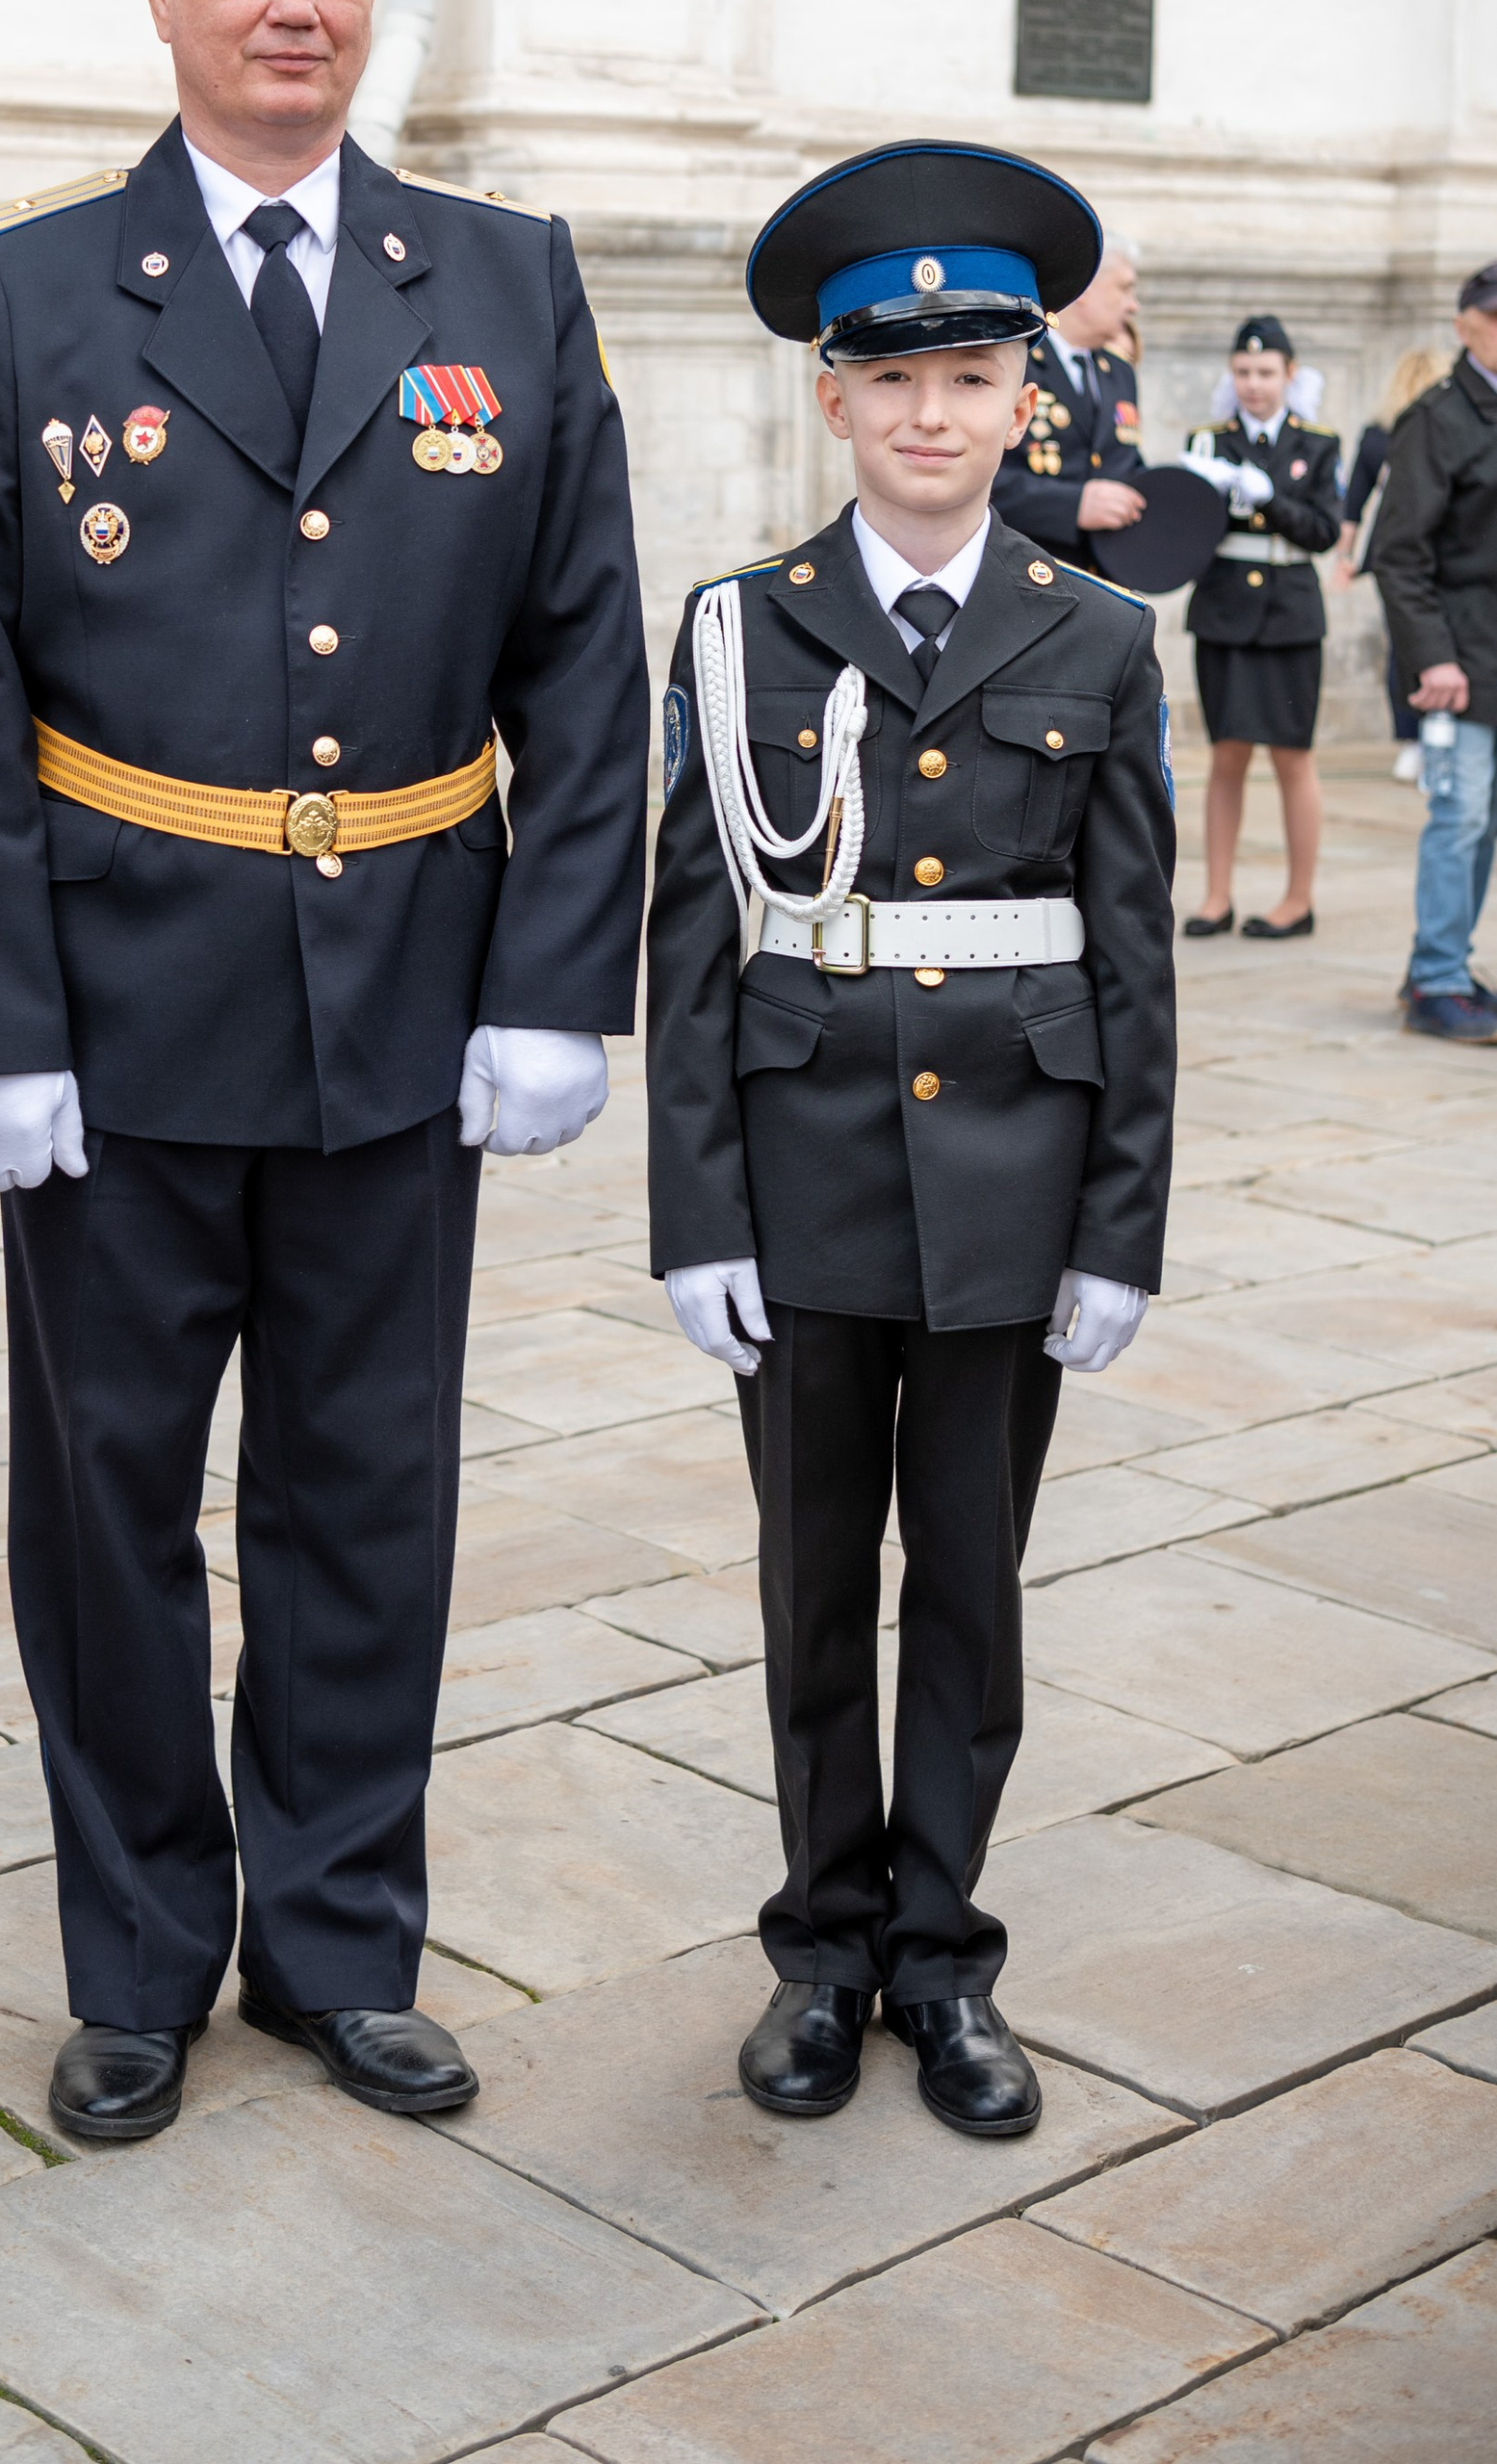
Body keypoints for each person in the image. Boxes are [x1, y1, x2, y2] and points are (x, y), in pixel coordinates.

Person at [0, 0, 648, 2148]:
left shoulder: (504, 282)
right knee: (105, 1504)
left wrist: (551, 977)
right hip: (113, 1011)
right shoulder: (18, 291)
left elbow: (582, 658)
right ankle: (134, 1957)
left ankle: (334, 1940)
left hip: (401, 1010)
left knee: (364, 1491)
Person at [649, 141, 1174, 2141]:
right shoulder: (733, 630)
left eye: (968, 376)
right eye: (891, 380)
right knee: (806, 1579)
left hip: (1011, 1184)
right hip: (794, 1178)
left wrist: (1115, 1222)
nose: (930, 414)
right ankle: (817, 1950)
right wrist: (691, 1206)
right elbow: (686, 938)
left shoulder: (1096, 637)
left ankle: (941, 1955)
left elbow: (1130, 960)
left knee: (965, 1578)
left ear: (1021, 393)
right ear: (832, 399)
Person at [1177, 316, 1342, 943]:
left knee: (1293, 757)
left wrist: (1267, 496)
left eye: (1266, 372)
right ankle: (1216, 896)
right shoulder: (1207, 441)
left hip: (1291, 611)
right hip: (1224, 608)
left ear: (1289, 374)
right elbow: (1186, 532)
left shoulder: (1318, 443)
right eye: (1243, 372)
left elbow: (1324, 531)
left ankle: (1298, 899)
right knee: (1226, 755)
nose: (1253, 384)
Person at [1370, 261, 1497, 1041]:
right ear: (1466, 325)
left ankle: (1448, 964)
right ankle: (1435, 978)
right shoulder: (1437, 418)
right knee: (1459, 815)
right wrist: (1432, 659)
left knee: (1483, 823)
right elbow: (1399, 552)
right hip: (1461, 660)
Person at [992, 235, 1148, 569]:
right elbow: (978, 475)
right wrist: (1072, 505)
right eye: (1124, 289)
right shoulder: (1019, 361)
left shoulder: (1119, 371)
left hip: (1107, 578)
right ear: (1085, 289)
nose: (1133, 305)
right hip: (1027, 570)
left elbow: (1125, 462)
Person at [1335, 347, 1448, 784]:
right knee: (1422, 645)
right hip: (1424, 555)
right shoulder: (1395, 433)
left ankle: (1414, 738)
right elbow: (1356, 502)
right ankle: (1422, 735)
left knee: (1404, 646)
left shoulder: (1380, 432)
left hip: (1394, 556)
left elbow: (1353, 508)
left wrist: (1345, 559)